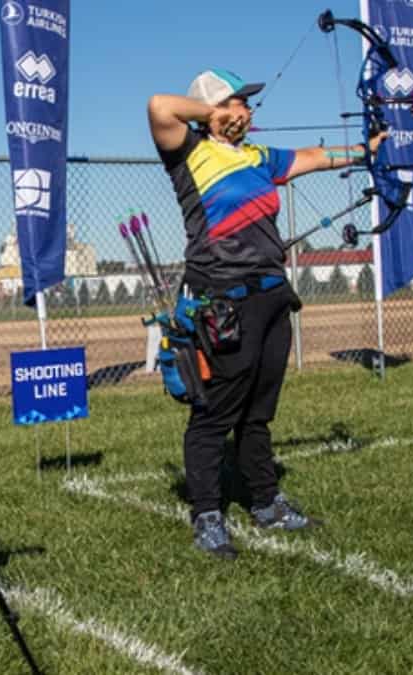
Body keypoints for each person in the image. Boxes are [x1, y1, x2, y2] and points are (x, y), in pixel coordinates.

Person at [147, 69, 386, 560]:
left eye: (247, 104)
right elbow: (158, 106)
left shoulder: (259, 158)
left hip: (273, 294)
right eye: (238, 103)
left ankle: (265, 502)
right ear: (214, 110)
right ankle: (208, 516)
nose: (247, 111)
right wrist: (214, 114)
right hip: (223, 300)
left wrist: (365, 151)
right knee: (214, 411)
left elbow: (315, 158)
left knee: (258, 412)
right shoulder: (189, 153)